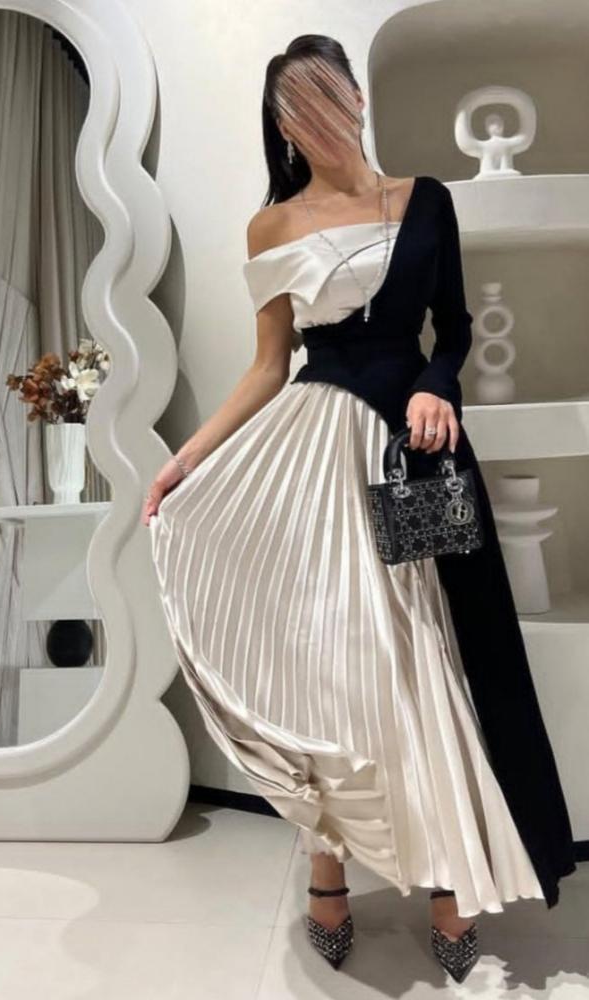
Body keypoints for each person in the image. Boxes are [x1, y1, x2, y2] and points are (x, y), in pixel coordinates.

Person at [142, 34, 576, 982]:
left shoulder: (425, 200)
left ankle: (452, 875)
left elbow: (453, 331)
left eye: (326, 97)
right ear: (282, 126)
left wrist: (436, 386)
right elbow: (269, 366)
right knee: (326, 661)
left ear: (357, 100)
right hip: (309, 457)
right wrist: (184, 461)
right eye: (293, 109)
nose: (314, 119)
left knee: (428, 660)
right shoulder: (271, 227)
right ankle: (328, 867)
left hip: (411, 454)